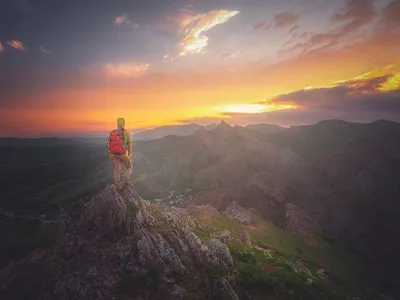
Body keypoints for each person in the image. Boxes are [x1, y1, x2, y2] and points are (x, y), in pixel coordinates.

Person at [107, 117, 133, 187]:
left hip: (114, 154)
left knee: (116, 171)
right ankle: (127, 181)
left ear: (117, 123)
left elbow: (109, 144)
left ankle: (117, 184)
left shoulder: (112, 133)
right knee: (129, 167)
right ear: (124, 123)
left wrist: (111, 155)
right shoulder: (127, 133)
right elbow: (129, 144)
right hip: (124, 154)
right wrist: (130, 154)